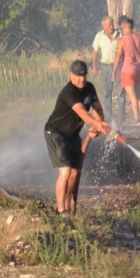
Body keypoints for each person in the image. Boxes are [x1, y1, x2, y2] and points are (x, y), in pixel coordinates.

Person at [44, 60, 109, 216]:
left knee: (74, 173)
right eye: (78, 75)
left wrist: (99, 125)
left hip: (72, 134)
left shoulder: (89, 88)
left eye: (84, 75)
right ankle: (61, 210)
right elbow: (83, 113)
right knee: (65, 171)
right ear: (71, 75)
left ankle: (69, 207)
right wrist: (97, 124)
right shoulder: (68, 93)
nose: (82, 79)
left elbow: (97, 108)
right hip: (56, 133)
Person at [91, 15, 126, 122]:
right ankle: (108, 118)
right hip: (105, 67)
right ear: (104, 26)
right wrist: (94, 66)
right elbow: (95, 52)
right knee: (107, 93)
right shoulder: (99, 36)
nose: (111, 26)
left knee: (120, 92)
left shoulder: (120, 34)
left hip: (118, 67)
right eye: (109, 24)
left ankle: (121, 118)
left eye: (112, 24)